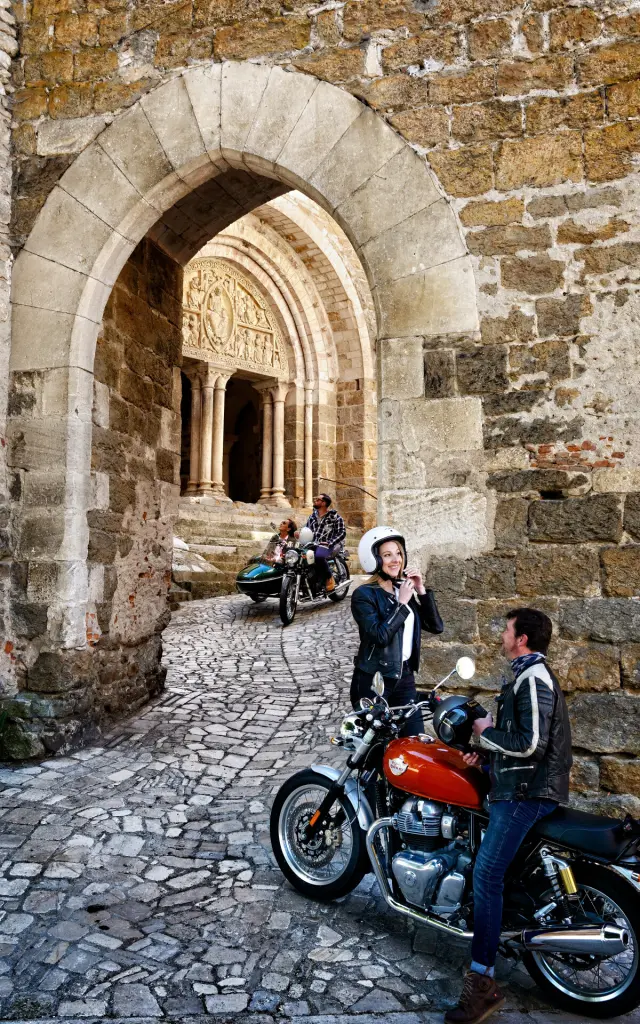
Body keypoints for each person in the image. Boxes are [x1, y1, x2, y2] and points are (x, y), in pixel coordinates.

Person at [445, 607, 573, 1024]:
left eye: (506, 629)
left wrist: (485, 732)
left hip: (526, 793)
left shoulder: (534, 677)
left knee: (486, 875)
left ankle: (482, 982)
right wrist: (482, 756)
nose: (502, 634)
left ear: (522, 638)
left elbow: (530, 744)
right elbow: (515, 746)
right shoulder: (523, 674)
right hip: (517, 785)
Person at [350, 526, 443, 737]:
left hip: (405, 678)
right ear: (373, 559)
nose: (396, 560)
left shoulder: (402, 590)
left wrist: (421, 591)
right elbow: (380, 636)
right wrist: (400, 604)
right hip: (375, 681)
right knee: (377, 746)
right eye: (387, 555)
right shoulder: (363, 595)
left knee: (413, 740)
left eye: (398, 553)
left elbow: (436, 627)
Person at [302, 493, 346, 593]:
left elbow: (342, 532)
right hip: (313, 545)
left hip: (330, 545)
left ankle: (329, 577)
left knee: (319, 556)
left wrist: (330, 542)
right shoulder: (312, 517)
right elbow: (307, 530)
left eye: (317, 499)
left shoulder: (335, 518)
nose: (315, 500)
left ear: (324, 503)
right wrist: (300, 534)